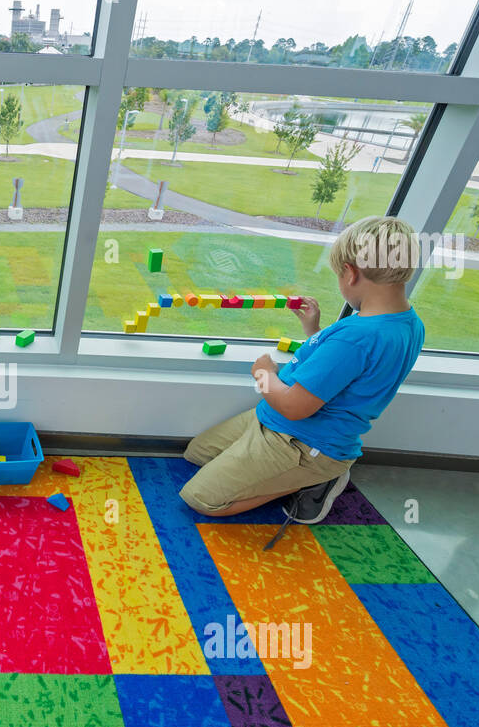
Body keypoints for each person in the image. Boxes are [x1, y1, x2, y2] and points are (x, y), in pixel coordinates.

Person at [180, 215, 426, 522]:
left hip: (302, 443)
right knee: (196, 453)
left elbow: (295, 407)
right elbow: (349, 368)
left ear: (350, 274)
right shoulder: (408, 323)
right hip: (272, 421)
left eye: (338, 275)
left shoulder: (358, 336)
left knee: (200, 499)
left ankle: (314, 480)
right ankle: (280, 472)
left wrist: (263, 373)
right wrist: (314, 330)